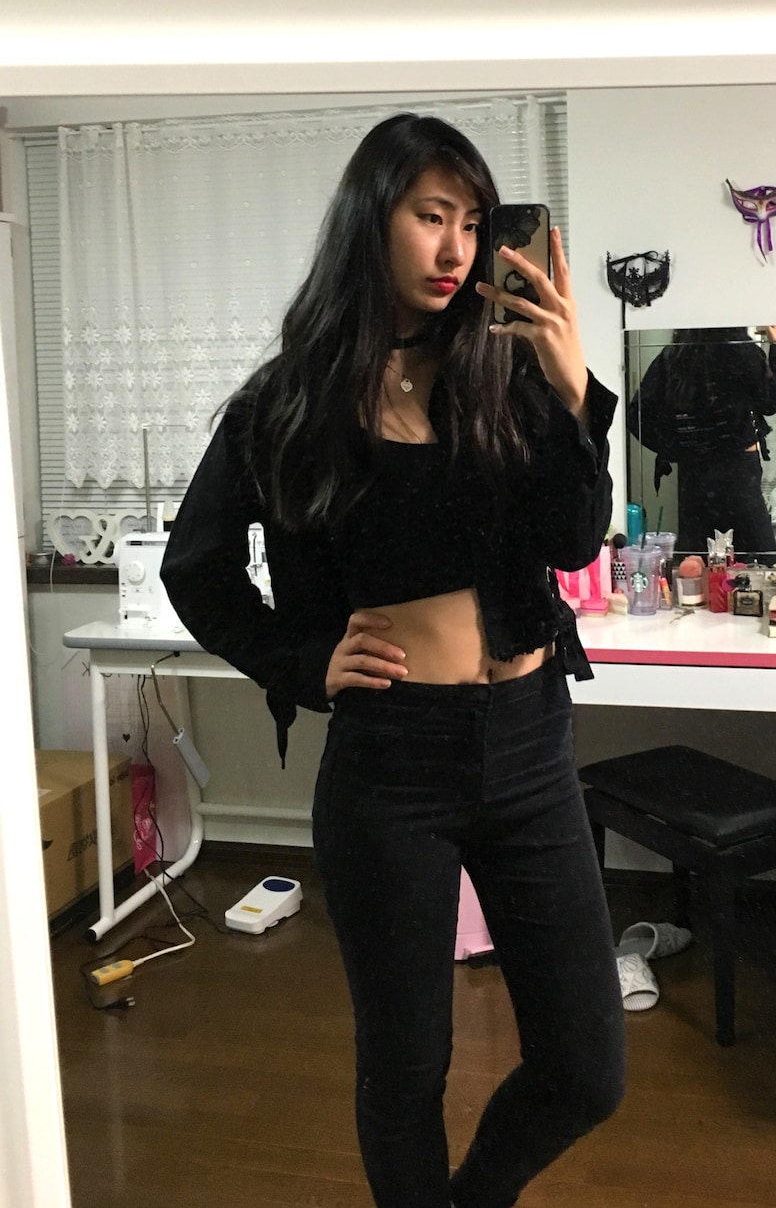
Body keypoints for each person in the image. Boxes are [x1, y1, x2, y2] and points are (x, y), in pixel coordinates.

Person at [160, 113, 625, 1208]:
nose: (456, 248)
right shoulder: (288, 403)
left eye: (472, 222)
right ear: (372, 222)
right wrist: (303, 658)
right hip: (392, 764)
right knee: (406, 1071)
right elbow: (197, 568)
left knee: (586, 1067)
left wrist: (573, 391)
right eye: (430, 216)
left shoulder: (505, 373)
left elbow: (572, 541)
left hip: (529, 746)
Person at [626, 325, 776, 564]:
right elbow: (769, 401)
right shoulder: (739, 348)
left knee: (696, 561)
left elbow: (637, 415)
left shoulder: (675, 355)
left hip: (695, 472)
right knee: (760, 558)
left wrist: (676, 448)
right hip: (738, 470)